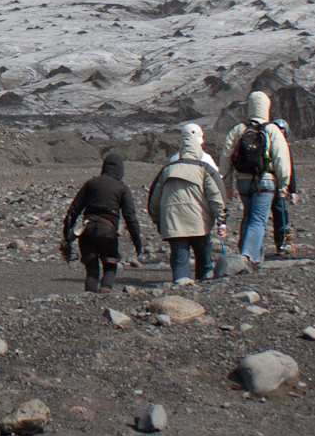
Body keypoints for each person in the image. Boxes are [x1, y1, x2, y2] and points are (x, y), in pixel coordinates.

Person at [216, 92, 292, 268]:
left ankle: (253, 256)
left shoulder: (238, 130)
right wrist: (284, 183)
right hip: (265, 181)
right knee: (258, 220)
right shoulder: (271, 129)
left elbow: (226, 158)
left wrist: (226, 184)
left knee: (248, 216)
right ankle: (248, 257)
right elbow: (281, 158)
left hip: (242, 181)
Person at [147, 123, 229, 284]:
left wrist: (159, 221)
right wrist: (222, 219)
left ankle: (181, 292)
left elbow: (154, 199)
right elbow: (216, 195)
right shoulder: (204, 166)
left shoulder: (168, 168)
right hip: (199, 222)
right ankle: (203, 291)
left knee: (179, 262)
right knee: (204, 261)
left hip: (174, 224)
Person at [58, 152, 145, 292]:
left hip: (86, 230)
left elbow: (73, 211)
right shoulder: (122, 188)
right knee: (110, 266)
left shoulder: (91, 183)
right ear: (120, 170)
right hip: (107, 231)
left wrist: (66, 236)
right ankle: (105, 291)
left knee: (92, 272)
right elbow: (130, 217)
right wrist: (136, 240)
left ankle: (89, 299)